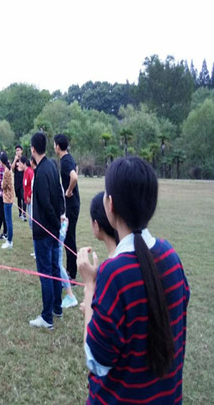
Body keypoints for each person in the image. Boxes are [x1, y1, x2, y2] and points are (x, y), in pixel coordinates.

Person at [77, 157, 189, 404]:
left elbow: (96, 361)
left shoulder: (114, 273)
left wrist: (90, 287)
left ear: (110, 204)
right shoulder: (171, 257)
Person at [29, 132, 65, 330]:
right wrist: (58, 218)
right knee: (54, 269)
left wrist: (55, 222)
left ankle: (47, 317)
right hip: (52, 229)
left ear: (33, 149)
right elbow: (59, 193)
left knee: (47, 273)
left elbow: (46, 203)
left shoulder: (43, 170)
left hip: (45, 231)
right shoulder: (51, 165)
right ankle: (57, 308)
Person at [54, 134, 80, 280]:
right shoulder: (68, 158)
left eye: (54, 144)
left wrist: (69, 190)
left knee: (69, 238)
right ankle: (71, 269)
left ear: (58, 146)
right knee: (69, 237)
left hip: (71, 205)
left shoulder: (65, 161)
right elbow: (76, 169)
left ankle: (72, 273)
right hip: (72, 204)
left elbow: (74, 176)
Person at [0, 152, 14, 249]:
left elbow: (3, 185)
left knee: (8, 220)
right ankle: (9, 240)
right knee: (8, 219)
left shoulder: (6, 171)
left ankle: (9, 241)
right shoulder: (9, 169)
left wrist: (1, 183)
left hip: (7, 198)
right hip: (9, 197)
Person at [12, 145, 25, 220]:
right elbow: (12, 168)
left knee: (23, 197)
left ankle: (24, 213)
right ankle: (20, 212)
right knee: (19, 197)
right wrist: (15, 160)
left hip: (23, 181)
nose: (17, 152)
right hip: (17, 181)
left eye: (19, 150)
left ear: (21, 151)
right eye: (16, 150)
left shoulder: (24, 159)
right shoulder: (15, 160)